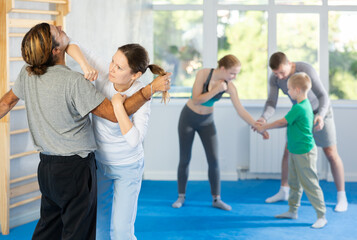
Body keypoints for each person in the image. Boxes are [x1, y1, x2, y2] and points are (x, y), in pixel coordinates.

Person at [0, 23, 170, 240]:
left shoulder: (28, 73)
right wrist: (150, 89)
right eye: (57, 32)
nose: (61, 27)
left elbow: (5, 103)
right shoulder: (74, 82)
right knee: (79, 233)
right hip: (75, 171)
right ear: (55, 50)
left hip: (47, 169)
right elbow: (113, 113)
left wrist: (84, 64)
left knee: (49, 229)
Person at [66, 41, 170, 239]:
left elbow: (134, 140)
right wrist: (85, 66)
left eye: (119, 67)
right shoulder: (105, 74)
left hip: (128, 167)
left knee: (121, 231)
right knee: (100, 227)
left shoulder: (141, 96)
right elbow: (72, 45)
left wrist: (117, 105)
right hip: (100, 164)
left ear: (135, 75)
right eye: (113, 61)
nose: (112, 68)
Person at [172, 55, 268, 211]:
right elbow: (196, 100)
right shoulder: (203, 74)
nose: (234, 77)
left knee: (214, 160)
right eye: (232, 73)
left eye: (236, 74)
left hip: (207, 122)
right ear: (222, 69)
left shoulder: (229, 86)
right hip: (188, 118)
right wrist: (216, 90)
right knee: (184, 159)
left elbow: (241, 111)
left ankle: (216, 199)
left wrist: (258, 127)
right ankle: (180, 197)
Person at [258, 52, 347, 212]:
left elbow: (323, 95)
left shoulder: (304, 69)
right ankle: (284, 191)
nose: (279, 77)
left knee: (331, 153)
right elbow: (272, 102)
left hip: (320, 111)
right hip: (300, 114)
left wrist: (320, 115)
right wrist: (263, 119)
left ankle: (342, 196)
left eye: (281, 72)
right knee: (288, 151)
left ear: (290, 64)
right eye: (275, 73)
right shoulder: (275, 78)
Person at [255, 72, 327, 229]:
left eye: (289, 89)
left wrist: (264, 126)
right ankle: (292, 211)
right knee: (294, 182)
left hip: (305, 153)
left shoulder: (301, 107)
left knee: (310, 184)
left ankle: (321, 215)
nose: (287, 92)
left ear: (298, 90)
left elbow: (282, 122)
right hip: (295, 151)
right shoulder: (300, 105)